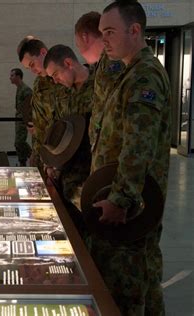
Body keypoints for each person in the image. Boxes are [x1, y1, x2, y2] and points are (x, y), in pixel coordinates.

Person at [89, 1, 171, 314]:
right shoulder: (129, 73)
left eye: (109, 32)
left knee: (128, 285)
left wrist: (121, 199)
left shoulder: (144, 76)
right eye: (100, 33)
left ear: (134, 30)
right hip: (128, 200)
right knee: (144, 279)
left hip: (131, 208)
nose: (104, 40)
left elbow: (139, 143)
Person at [43, 45, 93, 210]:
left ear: (68, 63)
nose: (55, 81)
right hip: (68, 176)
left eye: (56, 74)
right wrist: (50, 162)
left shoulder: (100, 86)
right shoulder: (61, 93)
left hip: (94, 174)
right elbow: (57, 128)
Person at [17, 37, 71, 173]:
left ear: (43, 52)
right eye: (28, 68)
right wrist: (36, 154)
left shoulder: (67, 75)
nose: (32, 70)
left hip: (68, 151)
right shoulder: (39, 84)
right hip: (46, 153)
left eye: (32, 64)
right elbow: (38, 124)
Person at [75, 11, 125, 146]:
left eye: (78, 44)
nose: (79, 50)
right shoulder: (104, 64)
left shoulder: (110, 63)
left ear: (85, 37)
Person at [9, 68, 33, 166]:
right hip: (19, 119)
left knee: (19, 142)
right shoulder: (19, 88)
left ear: (18, 76)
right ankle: (22, 162)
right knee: (18, 143)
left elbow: (28, 108)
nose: (10, 78)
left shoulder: (25, 90)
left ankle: (33, 156)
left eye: (12, 75)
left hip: (23, 120)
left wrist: (27, 122)